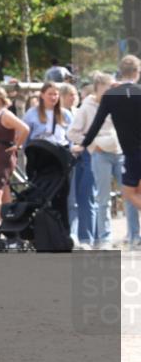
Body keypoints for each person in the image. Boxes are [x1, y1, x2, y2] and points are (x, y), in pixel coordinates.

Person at [80, 55, 141, 245]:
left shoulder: (111, 96)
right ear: (137, 72)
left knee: (129, 193)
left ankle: (132, 237)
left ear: (120, 72)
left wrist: (83, 144)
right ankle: (135, 237)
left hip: (130, 154)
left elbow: (96, 125)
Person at [69, 74, 119, 248]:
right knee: (96, 198)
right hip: (95, 155)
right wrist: (93, 144)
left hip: (118, 152)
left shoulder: (117, 104)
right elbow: (73, 133)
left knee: (128, 196)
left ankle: (106, 237)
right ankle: (95, 238)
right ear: (97, 88)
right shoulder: (87, 107)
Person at [0, 86, 30, 223]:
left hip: (3, 159)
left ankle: (10, 225)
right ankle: (12, 229)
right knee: (5, 197)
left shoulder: (6, 115)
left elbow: (25, 128)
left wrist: (17, 145)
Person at [62, 82, 96, 246]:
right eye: (70, 94)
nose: (74, 97)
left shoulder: (78, 112)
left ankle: (86, 235)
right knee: (72, 200)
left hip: (83, 156)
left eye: (75, 94)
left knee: (84, 198)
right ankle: (74, 234)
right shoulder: (62, 114)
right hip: (70, 157)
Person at [22, 82, 73, 147]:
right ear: (42, 95)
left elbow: (70, 136)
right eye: (50, 94)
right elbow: (26, 136)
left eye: (55, 94)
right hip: (39, 150)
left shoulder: (65, 114)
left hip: (60, 151)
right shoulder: (32, 113)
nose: (53, 97)